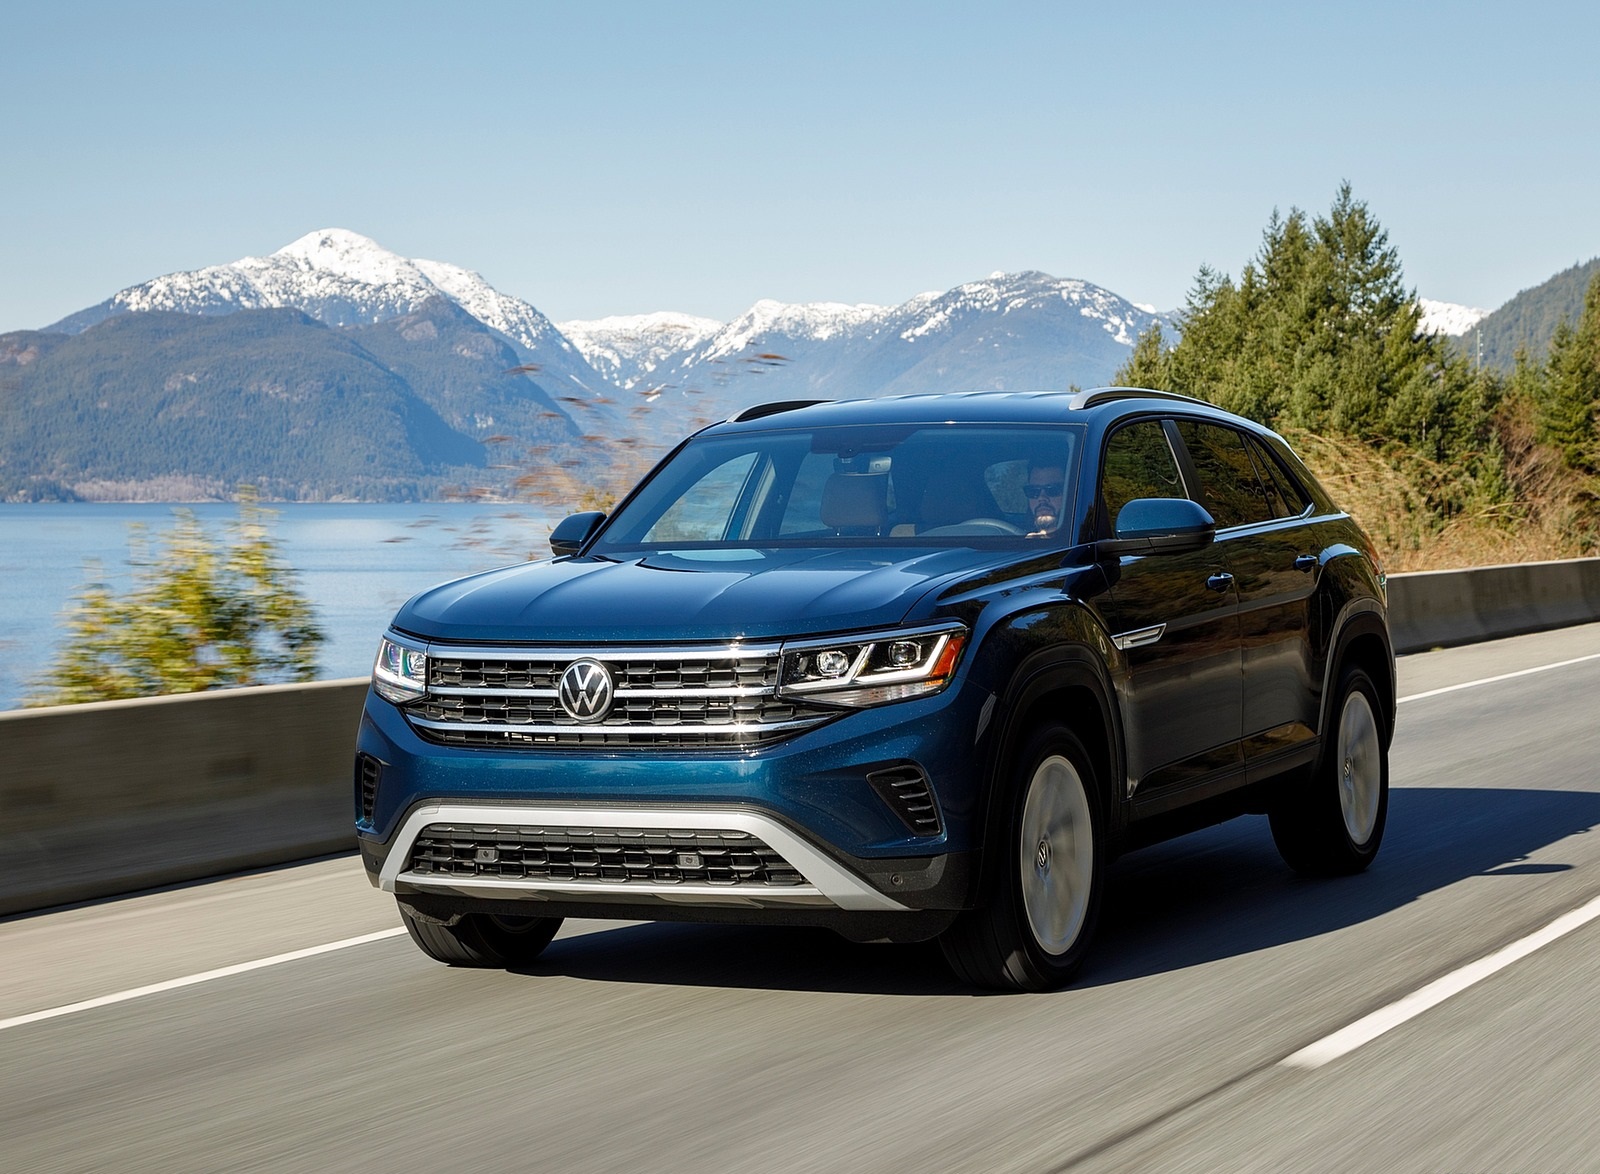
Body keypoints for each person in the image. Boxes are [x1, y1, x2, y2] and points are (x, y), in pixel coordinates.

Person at [1023, 461, 1066, 537]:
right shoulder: (1015, 539)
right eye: (1033, 491)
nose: (1042, 498)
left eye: (1052, 490)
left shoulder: (1081, 537)